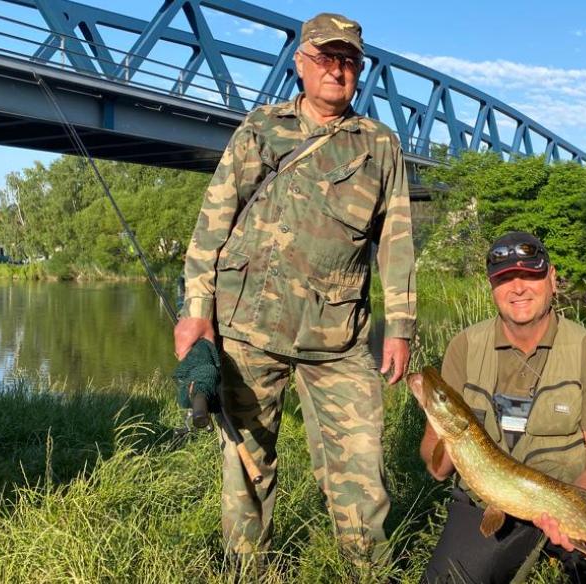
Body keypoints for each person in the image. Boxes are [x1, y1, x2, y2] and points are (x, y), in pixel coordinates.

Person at [172, 12, 416, 574]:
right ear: (301, 64)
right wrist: (195, 313)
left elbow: (396, 242)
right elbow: (212, 224)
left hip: (339, 337)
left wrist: (400, 327)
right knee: (246, 465)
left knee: (361, 469)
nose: (338, 70)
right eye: (327, 58)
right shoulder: (261, 128)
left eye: (349, 61)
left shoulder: (379, 144)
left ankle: (366, 571)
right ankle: (247, 570)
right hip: (248, 326)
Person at [419, 231, 586, 583]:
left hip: (565, 493)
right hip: (488, 508)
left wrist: (571, 511)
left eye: (530, 275)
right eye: (505, 278)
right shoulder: (465, 347)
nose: (518, 287)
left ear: (552, 278)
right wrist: (446, 443)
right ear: (492, 287)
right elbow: (435, 461)